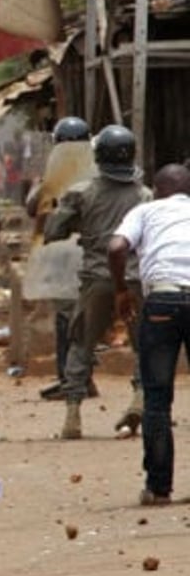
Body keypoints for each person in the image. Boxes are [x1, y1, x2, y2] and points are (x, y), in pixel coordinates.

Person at [45, 125, 151, 440]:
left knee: (80, 342)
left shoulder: (81, 192)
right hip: (135, 278)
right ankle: (140, 397)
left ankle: (73, 415)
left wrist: (78, 222)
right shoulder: (144, 194)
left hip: (97, 279)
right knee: (144, 343)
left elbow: (53, 232)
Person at [108, 164, 190, 506]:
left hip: (162, 301)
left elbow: (115, 248)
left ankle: (158, 488)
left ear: (156, 190)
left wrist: (121, 291)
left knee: (156, 398)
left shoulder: (145, 210)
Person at [28, 116, 94, 400]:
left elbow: (34, 207)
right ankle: (81, 377)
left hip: (63, 256)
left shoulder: (53, 176)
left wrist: (39, 184)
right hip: (94, 255)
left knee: (66, 319)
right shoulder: (99, 172)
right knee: (85, 318)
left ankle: (71, 380)